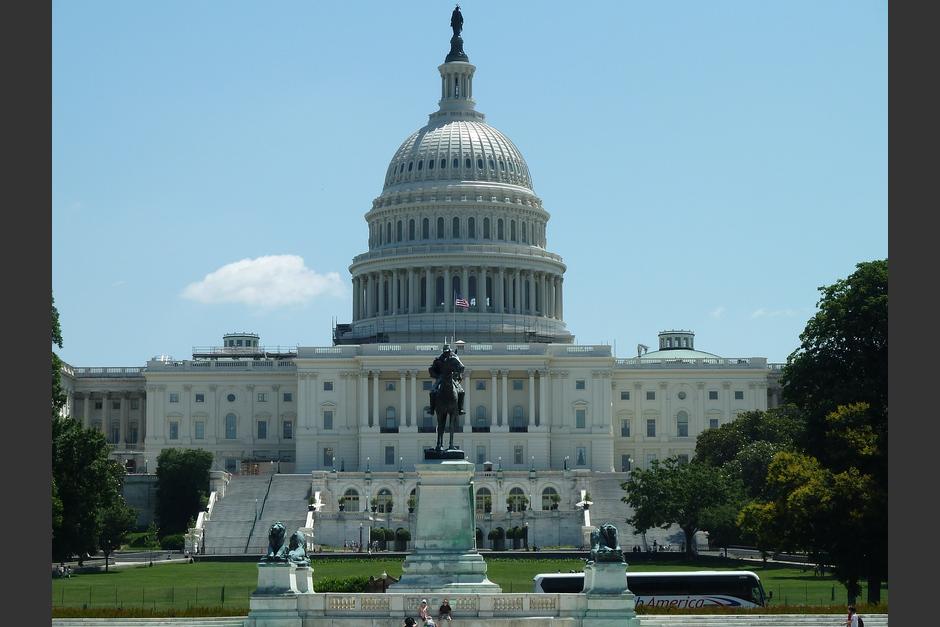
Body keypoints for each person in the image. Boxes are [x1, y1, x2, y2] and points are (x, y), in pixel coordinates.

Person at [428, 344, 465, 415]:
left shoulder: (453, 358)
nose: (447, 353)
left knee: (462, 392)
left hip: (452, 378)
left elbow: (459, 368)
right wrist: (436, 375)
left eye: (448, 352)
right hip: (441, 378)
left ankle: (460, 408)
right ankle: (431, 409)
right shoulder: (439, 359)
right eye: (445, 352)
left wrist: (458, 375)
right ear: (443, 352)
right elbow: (432, 369)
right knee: (432, 392)